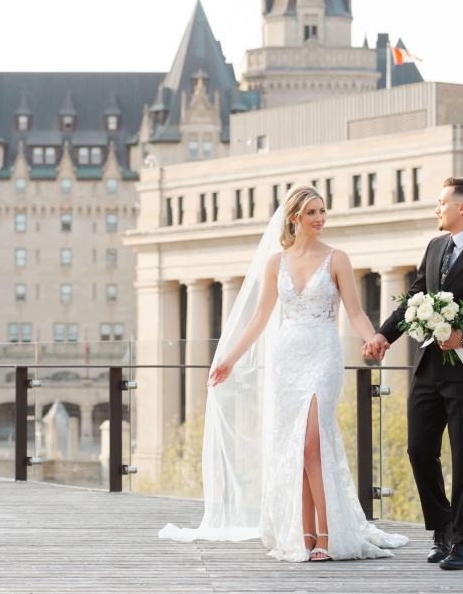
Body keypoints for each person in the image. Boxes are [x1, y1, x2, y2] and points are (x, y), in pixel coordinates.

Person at [160, 185, 407, 562]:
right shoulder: (276, 262)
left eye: (323, 211)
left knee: (312, 444)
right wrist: (229, 359)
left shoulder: (337, 258)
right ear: (294, 218)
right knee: (298, 449)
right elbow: (260, 318)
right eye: (312, 212)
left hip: (323, 356)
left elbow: (354, 311)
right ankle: (303, 534)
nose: (320, 219)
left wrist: (373, 335)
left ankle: (326, 534)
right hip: (287, 359)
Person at [363, 177, 463, 570]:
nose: (437, 209)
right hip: (428, 368)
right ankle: (442, 528)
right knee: (419, 449)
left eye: (441, 202)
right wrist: (384, 335)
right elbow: (416, 298)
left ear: (462, 207)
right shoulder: (436, 247)